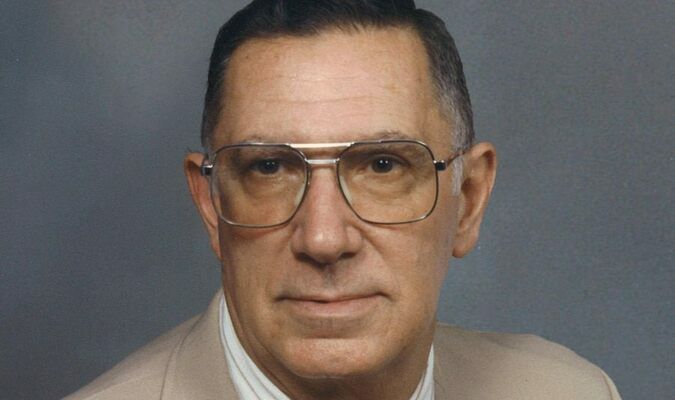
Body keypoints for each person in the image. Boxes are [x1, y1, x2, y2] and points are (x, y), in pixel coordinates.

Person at [66, 1, 622, 399]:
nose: (324, 239)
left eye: (382, 165)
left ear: (469, 199)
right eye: (270, 167)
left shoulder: (573, 391)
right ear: (211, 205)